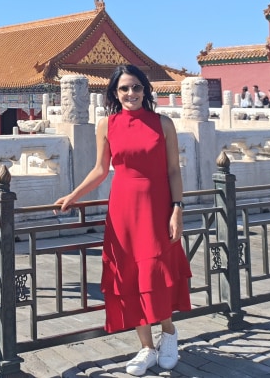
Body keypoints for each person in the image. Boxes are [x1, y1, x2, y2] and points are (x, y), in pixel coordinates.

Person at [54, 65, 192, 376]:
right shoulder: (107, 125)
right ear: (115, 94)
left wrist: (177, 208)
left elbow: (173, 170)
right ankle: (145, 347)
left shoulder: (163, 124)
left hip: (157, 207)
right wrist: (74, 195)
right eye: (124, 89)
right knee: (129, 274)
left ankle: (168, 334)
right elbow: (101, 170)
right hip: (123, 208)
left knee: (156, 271)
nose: (131, 94)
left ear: (146, 90)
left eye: (136, 88)